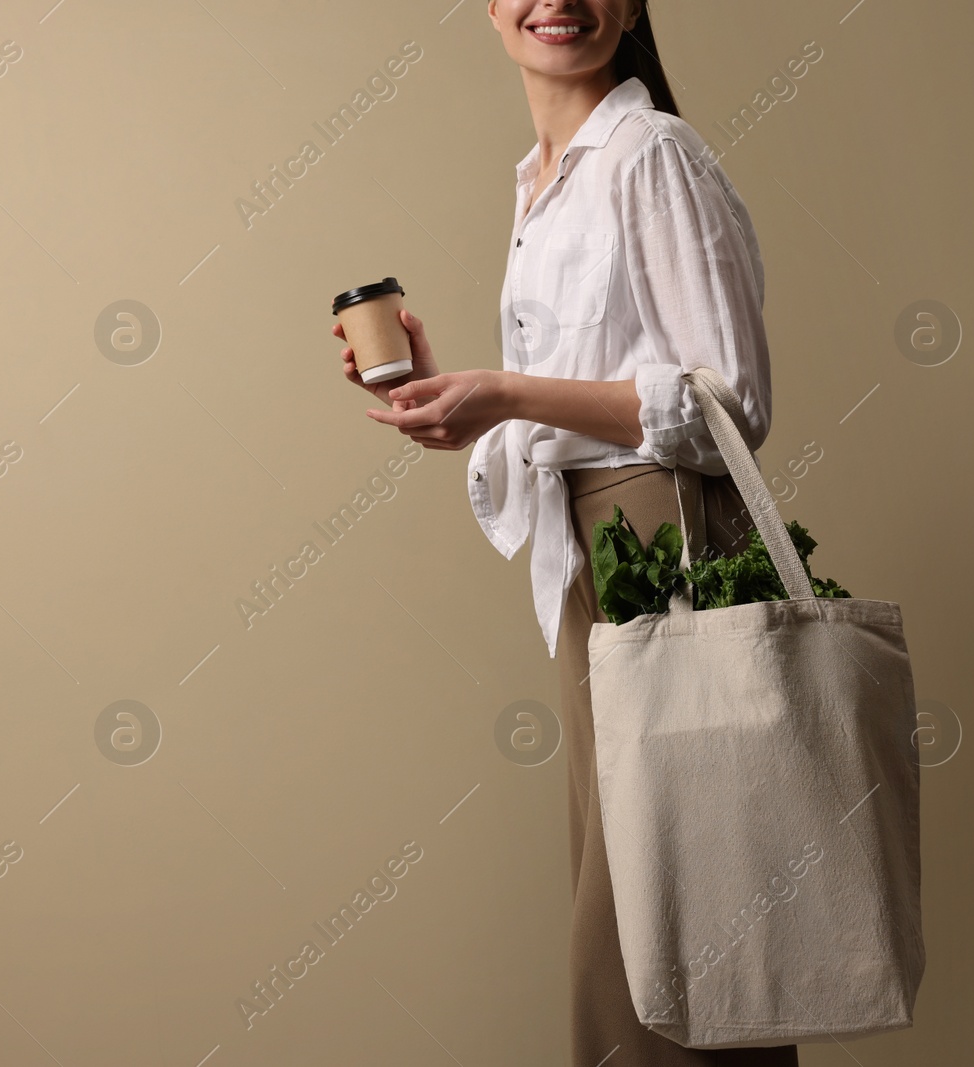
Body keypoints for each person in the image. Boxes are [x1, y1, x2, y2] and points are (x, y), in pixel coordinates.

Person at [333, 2, 796, 1064]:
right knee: (664, 922)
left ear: (630, 5)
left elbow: (730, 398)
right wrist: (461, 397)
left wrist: (501, 390)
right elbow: (576, 389)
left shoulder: (651, 154)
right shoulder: (545, 177)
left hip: (658, 539)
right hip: (591, 552)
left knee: (664, 930)